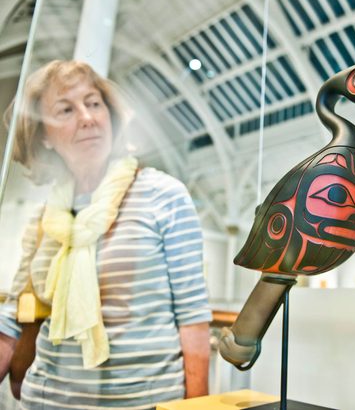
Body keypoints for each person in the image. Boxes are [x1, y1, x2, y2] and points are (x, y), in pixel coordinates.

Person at [0, 60, 212, 409]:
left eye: (93, 103)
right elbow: (13, 316)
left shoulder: (163, 194)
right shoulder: (45, 217)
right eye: (65, 109)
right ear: (44, 137)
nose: (87, 117)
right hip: (44, 401)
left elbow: (192, 316)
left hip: (142, 402)